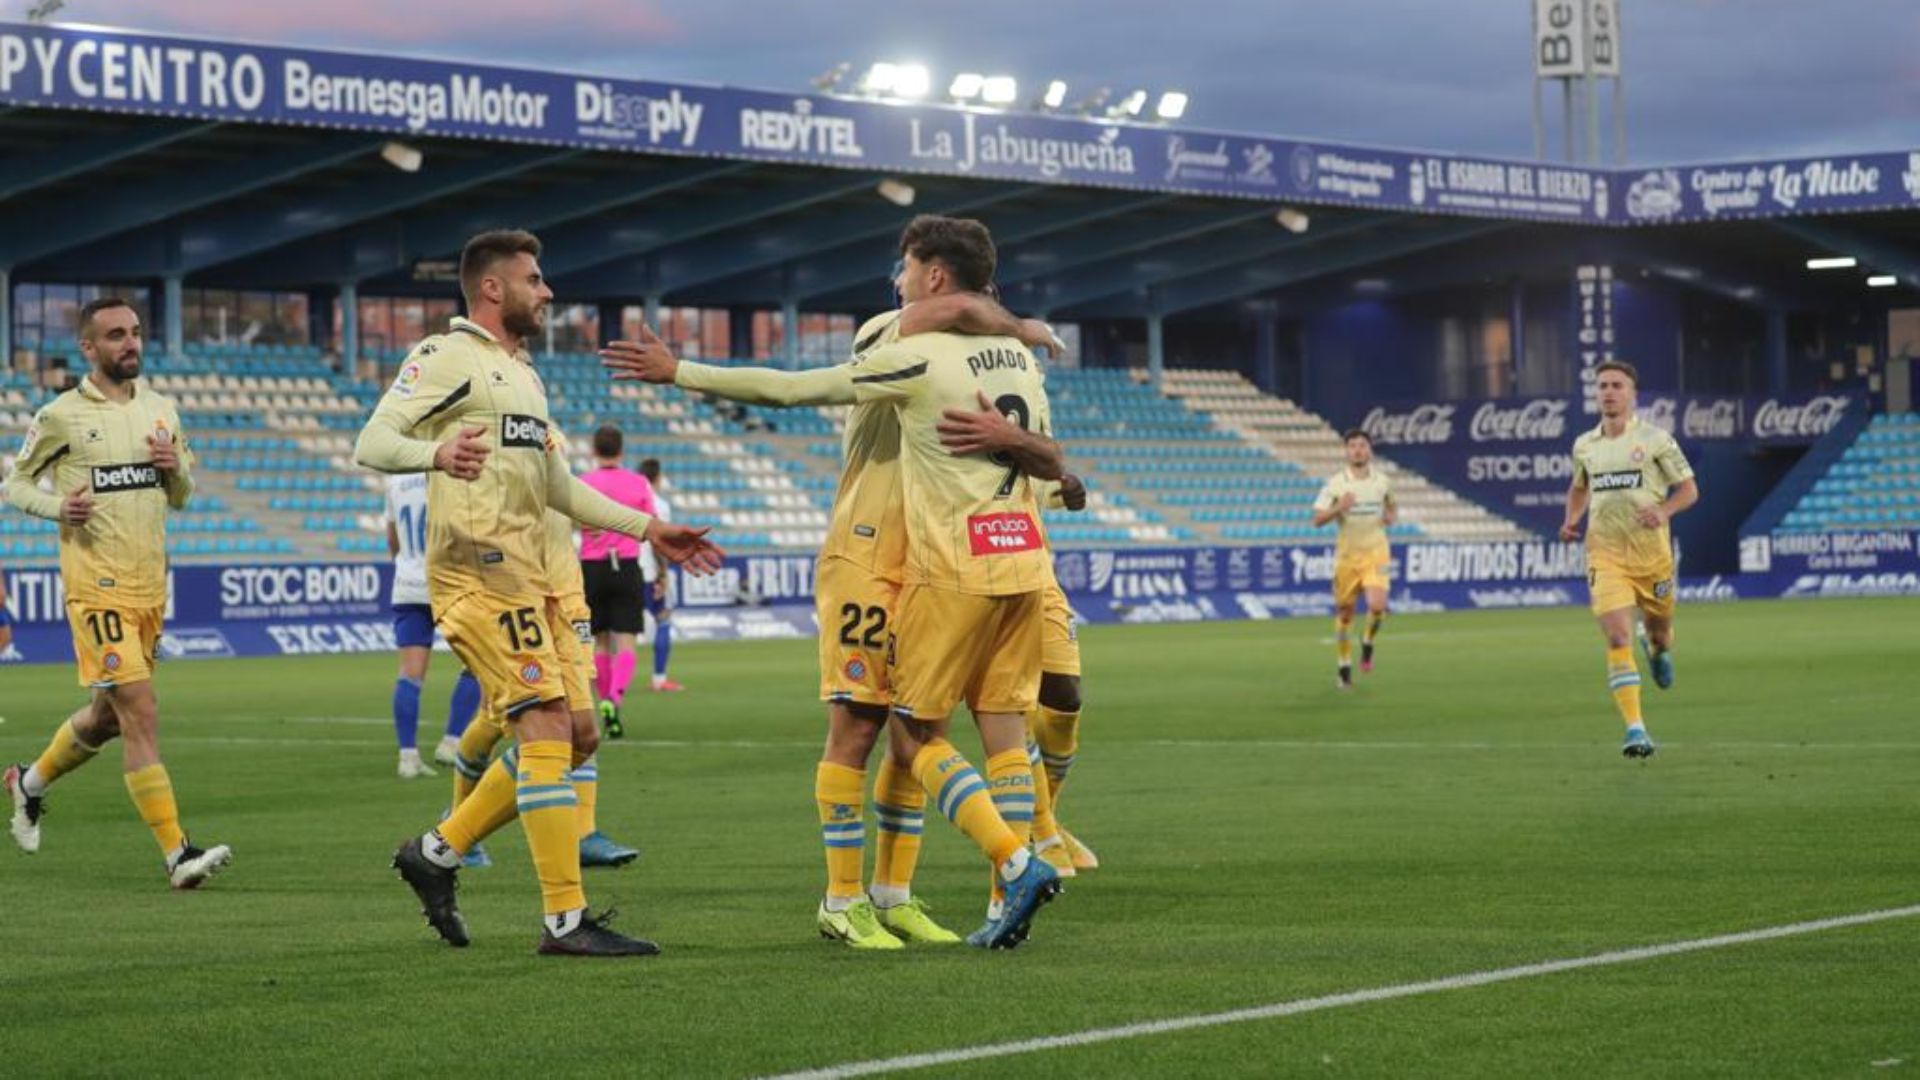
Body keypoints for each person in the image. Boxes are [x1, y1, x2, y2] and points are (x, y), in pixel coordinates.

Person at [603, 214, 1067, 949]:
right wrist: (1022, 323)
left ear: (934, 272)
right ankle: (842, 899)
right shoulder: (896, 335)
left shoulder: (975, 348)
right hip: (864, 549)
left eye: (906, 265)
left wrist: (1012, 325)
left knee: (923, 729)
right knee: (858, 723)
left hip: (929, 553)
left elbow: (964, 311)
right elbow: (954, 311)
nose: (897, 277)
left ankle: (894, 893)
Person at [354, 229, 722, 956]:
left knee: (580, 734)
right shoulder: (445, 357)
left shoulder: (522, 373)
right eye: (534, 279)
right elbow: (373, 440)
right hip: (479, 575)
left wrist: (651, 529)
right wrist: (436, 452)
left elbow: (560, 488)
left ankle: (434, 852)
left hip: (536, 578)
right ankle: (564, 921)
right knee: (548, 729)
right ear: (493, 288)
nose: (547, 291)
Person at [2, 297, 232, 888]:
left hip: (149, 588)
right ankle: (178, 854)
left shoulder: (161, 410)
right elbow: (15, 484)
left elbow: (182, 494)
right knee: (141, 710)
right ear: (89, 348)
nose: (130, 344)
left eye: (134, 333)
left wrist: (173, 467)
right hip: (94, 587)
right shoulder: (62, 416)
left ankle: (27, 784)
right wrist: (61, 507)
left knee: (108, 719)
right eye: (115, 336)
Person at [445, 423, 641, 869]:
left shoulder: (548, 433)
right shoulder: (483, 430)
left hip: (565, 591)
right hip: (513, 591)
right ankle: (459, 824)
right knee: (497, 719)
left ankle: (584, 833)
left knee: (581, 721)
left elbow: (564, 496)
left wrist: (637, 527)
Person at [1560, 360, 1699, 759]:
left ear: (1632, 394)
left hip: (1652, 557)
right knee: (1617, 634)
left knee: (1659, 632)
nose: (1608, 391)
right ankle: (1636, 729)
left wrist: (1664, 511)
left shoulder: (1655, 440)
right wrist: (1571, 519)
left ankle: (1657, 650)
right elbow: (1578, 487)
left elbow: (1689, 490)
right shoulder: (1585, 445)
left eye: (1616, 385)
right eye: (1602, 385)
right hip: (1605, 554)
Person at [384, 472, 482, 778]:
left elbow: (392, 538)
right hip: (449, 586)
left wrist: (406, 566)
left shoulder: (395, 481)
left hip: (408, 585)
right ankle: (452, 743)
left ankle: (408, 757)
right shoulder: (451, 475)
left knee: (410, 675)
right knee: (475, 665)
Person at [576, 424, 657, 736]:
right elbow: (652, 526)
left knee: (599, 641)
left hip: (592, 567)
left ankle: (604, 704)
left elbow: (569, 517)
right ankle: (614, 699)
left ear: (594, 450)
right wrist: (661, 572)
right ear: (621, 450)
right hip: (625, 565)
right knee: (626, 640)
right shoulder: (638, 483)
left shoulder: (583, 483)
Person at [1311, 430, 1396, 689]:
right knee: (1345, 613)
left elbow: (1391, 504)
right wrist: (1339, 507)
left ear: (1369, 450)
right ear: (1346, 451)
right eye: (1353, 446)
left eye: (1362, 445)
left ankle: (1368, 639)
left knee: (1377, 604)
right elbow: (1317, 520)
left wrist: (1390, 516)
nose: (1358, 450)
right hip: (1347, 558)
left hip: (1377, 552)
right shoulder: (1336, 483)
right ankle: (1344, 667)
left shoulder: (1383, 481)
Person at [636, 457, 681, 693]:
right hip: (649, 573)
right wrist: (663, 575)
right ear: (657, 478)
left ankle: (605, 684)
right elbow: (659, 542)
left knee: (612, 633)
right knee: (663, 619)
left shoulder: (626, 500)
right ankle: (659, 678)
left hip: (623, 569)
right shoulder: (660, 505)